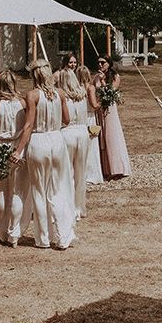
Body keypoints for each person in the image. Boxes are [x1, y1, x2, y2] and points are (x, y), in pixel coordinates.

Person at [12, 59, 75, 250]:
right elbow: (67, 119)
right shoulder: (60, 94)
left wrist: (18, 150)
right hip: (56, 140)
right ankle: (63, 235)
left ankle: (43, 238)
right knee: (58, 190)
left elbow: (28, 125)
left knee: (39, 191)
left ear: (34, 76)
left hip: (39, 142)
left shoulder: (32, 95)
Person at [0, 70, 30, 247]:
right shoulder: (23, 103)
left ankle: (3, 230)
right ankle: (14, 233)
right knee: (18, 191)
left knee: (0, 190)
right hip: (18, 147)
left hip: (0, 148)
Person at [57, 68, 89, 219]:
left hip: (68, 132)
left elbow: (63, 119)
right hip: (83, 133)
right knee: (81, 172)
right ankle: (80, 206)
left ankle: (70, 206)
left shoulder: (63, 97)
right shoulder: (82, 95)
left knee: (67, 172)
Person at [94, 55, 132, 180]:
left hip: (110, 108)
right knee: (101, 136)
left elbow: (111, 92)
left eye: (103, 63)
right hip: (99, 108)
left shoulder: (115, 77)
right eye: (98, 63)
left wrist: (104, 81)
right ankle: (105, 168)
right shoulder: (96, 77)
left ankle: (117, 168)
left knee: (111, 135)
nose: (100, 65)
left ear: (109, 64)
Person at [76, 66, 104, 185]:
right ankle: (92, 174)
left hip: (79, 118)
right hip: (89, 117)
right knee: (92, 146)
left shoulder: (75, 88)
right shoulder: (90, 87)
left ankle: (80, 174)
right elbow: (93, 104)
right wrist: (101, 103)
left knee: (80, 146)